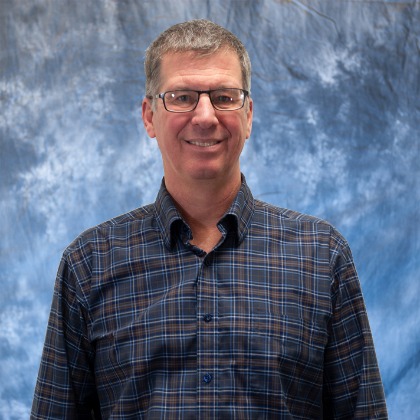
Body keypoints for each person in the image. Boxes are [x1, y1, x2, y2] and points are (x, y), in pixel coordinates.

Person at [32, 19, 388, 419]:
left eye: (223, 96)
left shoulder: (322, 258)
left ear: (248, 115)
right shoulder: (89, 264)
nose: (204, 116)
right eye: (182, 97)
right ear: (149, 116)